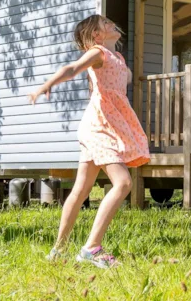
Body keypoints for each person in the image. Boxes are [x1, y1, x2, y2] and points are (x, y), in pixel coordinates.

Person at [28, 14, 150, 267]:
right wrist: (47, 84)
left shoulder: (117, 57)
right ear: (96, 35)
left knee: (81, 189)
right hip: (98, 127)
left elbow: (122, 78)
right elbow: (72, 69)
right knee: (123, 182)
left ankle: (58, 250)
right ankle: (91, 248)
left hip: (106, 124)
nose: (112, 23)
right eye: (105, 23)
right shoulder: (98, 53)